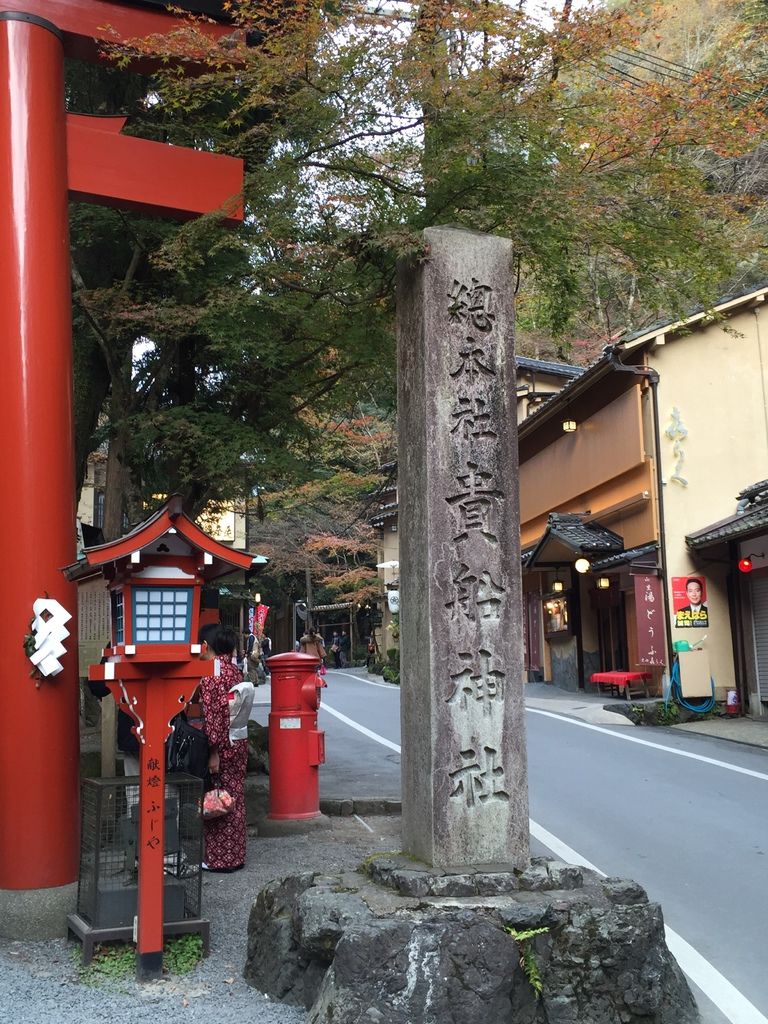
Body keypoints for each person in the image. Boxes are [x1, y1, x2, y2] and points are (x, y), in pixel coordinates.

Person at [199, 623, 248, 872]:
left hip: (222, 746)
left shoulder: (211, 675)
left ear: (205, 646)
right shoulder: (233, 670)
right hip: (238, 741)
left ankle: (220, 859)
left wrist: (213, 751)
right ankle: (236, 855)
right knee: (235, 799)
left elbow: (214, 716)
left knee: (218, 800)